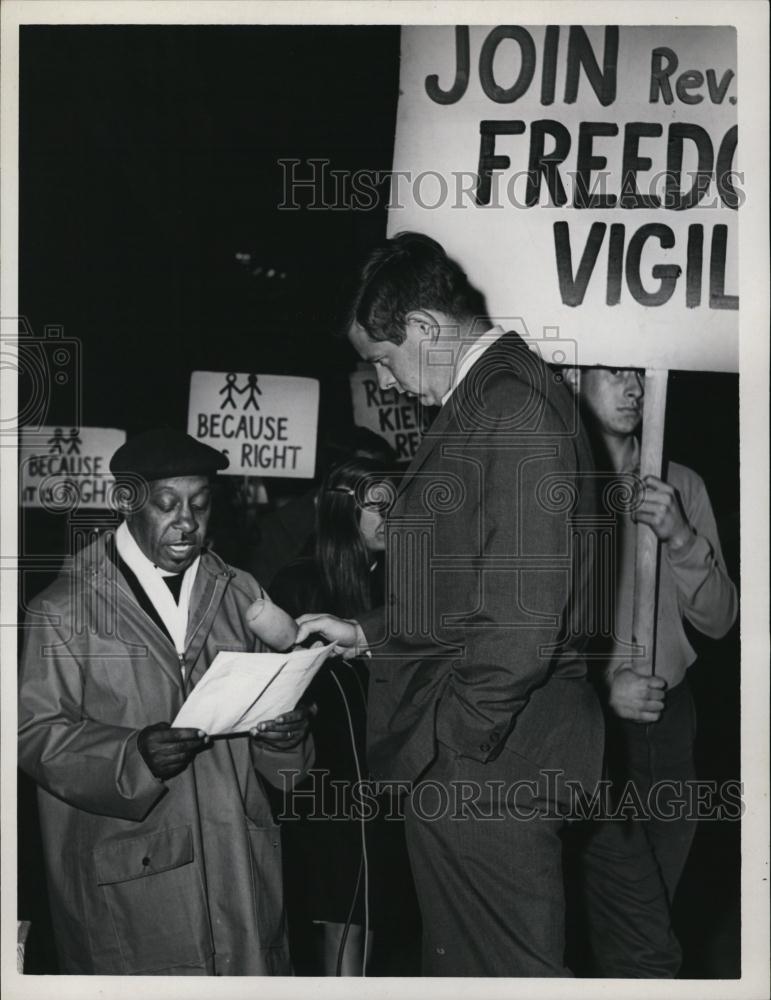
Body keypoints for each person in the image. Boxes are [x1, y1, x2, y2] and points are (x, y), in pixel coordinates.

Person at [295, 232, 604, 976]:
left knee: (497, 974)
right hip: (487, 756)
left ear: (426, 328)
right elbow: (467, 581)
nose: (387, 382)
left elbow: (523, 616)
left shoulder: (509, 405)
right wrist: (367, 631)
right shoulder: (493, 396)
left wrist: (453, 743)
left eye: (382, 357)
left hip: (489, 763)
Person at [18, 428, 313, 976]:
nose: (187, 523)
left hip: (241, 879)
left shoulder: (242, 594)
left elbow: (284, 767)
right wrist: (132, 756)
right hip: (133, 887)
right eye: (167, 505)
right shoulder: (62, 610)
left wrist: (287, 739)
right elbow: (32, 733)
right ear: (128, 502)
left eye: (200, 506)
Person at [562, 366, 738, 976]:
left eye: (641, 374)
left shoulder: (678, 483)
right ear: (572, 376)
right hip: (586, 733)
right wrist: (604, 690)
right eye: (615, 372)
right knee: (630, 935)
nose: (634, 386)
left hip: (669, 727)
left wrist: (681, 536)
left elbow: (720, 621)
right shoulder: (552, 483)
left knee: (651, 911)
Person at [271, 456, 421, 976]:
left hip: (392, 782)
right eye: (375, 505)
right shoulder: (299, 584)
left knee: (381, 926)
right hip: (329, 783)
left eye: (395, 503)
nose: (390, 516)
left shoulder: (405, 583)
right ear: (340, 512)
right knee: (342, 927)